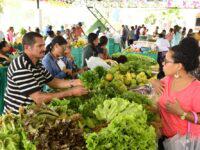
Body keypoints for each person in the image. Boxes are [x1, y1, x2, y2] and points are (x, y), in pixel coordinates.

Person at [3, 32, 88, 114]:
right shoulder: (21, 66)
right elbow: (38, 98)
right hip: (17, 116)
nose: (44, 49)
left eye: (43, 45)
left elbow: (52, 81)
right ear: (27, 47)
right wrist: (71, 92)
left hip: (32, 111)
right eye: (40, 46)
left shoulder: (37, 63)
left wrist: (74, 82)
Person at [152, 37, 200, 149]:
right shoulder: (167, 80)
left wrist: (181, 113)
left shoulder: (196, 89)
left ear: (179, 66)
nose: (162, 63)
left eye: (166, 61)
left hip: (185, 144)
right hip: (164, 138)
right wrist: (154, 81)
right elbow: (156, 93)